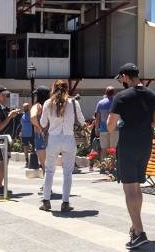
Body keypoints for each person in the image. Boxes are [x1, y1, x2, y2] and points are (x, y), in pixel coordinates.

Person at [107, 63, 155, 251]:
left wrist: (123, 121)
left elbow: (109, 126)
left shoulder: (121, 97)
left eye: (120, 78)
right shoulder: (152, 96)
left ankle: (139, 232)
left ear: (125, 76)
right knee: (137, 187)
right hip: (145, 143)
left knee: (129, 188)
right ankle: (135, 225)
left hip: (128, 143)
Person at [38, 79, 85, 212]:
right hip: (69, 138)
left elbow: (42, 124)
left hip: (53, 139)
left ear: (53, 89)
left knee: (49, 171)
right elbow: (81, 120)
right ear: (67, 89)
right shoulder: (73, 103)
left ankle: (46, 201)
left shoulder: (48, 103)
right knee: (68, 173)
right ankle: (65, 202)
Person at [0, 85, 22, 195]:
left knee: (4, 161)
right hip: (0, 139)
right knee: (3, 161)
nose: (5, 97)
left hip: (2, 139)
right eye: (3, 95)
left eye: (6, 95)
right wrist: (10, 116)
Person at [95, 86, 117, 153]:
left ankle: (103, 163)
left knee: (103, 150)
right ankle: (112, 163)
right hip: (115, 129)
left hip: (103, 129)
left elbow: (97, 117)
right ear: (114, 93)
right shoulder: (116, 102)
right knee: (113, 150)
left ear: (106, 93)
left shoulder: (100, 103)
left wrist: (96, 129)